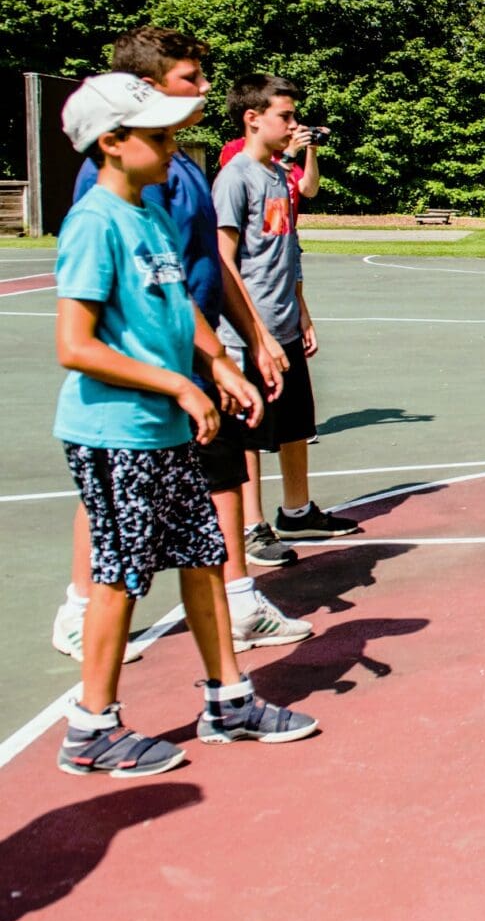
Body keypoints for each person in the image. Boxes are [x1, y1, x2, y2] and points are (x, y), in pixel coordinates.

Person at [52, 73, 316, 777]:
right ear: (112, 142)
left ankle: (228, 699)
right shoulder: (95, 222)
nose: (175, 151)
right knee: (121, 575)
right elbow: (74, 344)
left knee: (204, 555)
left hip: (168, 427)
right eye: (161, 137)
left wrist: (219, 366)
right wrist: (175, 381)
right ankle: (91, 726)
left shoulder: (150, 214)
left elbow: (180, 305)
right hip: (116, 431)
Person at [216, 75, 357, 542]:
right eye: (286, 116)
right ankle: (251, 525)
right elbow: (224, 261)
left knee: (296, 423)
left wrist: (302, 310)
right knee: (251, 432)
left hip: (284, 325)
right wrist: (256, 333)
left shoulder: (279, 176)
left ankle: (296, 511)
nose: (294, 124)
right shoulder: (235, 178)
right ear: (253, 119)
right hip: (247, 334)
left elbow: (286, 250)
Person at [220, 124, 321, 226]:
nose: (293, 125)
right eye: (284, 118)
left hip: (283, 235)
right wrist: (290, 153)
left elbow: (309, 191)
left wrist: (311, 149)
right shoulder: (236, 148)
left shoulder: (282, 154)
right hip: (255, 235)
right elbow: (254, 189)